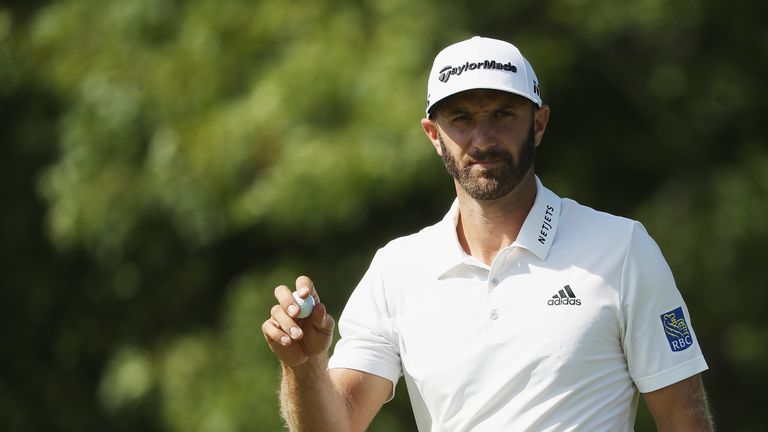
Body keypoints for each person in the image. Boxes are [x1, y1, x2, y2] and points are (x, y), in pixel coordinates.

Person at [262, 36, 714, 431]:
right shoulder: (396, 269)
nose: (483, 139)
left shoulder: (623, 249)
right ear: (433, 134)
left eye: (502, 114)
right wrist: (304, 370)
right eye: (461, 118)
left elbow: (684, 423)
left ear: (538, 123)